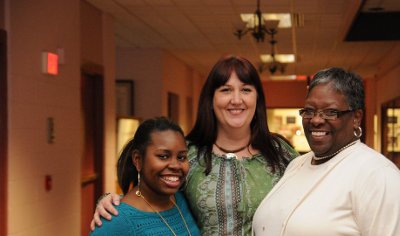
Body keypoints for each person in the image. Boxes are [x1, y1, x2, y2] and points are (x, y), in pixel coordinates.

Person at [91, 55, 300, 235]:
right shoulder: (188, 154)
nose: (236, 100)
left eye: (246, 90)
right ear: (211, 99)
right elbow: (153, 195)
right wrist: (112, 201)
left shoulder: (279, 152)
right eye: (226, 90)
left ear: (257, 99)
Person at [252, 67, 400, 235]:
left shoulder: (379, 175)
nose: (316, 120)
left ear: (356, 117)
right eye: (309, 111)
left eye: (331, 112)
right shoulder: (296, 164)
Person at [90, 117, 200, 236]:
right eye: (163, 156)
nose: (175, 165)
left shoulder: (183, 199)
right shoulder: (116, 221)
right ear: (138, 160)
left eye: (181, 157)